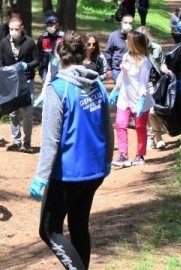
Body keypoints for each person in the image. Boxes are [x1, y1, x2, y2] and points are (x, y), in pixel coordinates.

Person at [29, 34, 113, 270]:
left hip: (68, 174)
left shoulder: (58, 89)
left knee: (49, 230)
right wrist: (108, 160)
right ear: (83, 55)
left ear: (58, 55)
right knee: (78, 225)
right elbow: (107, 125)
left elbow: (50, 139)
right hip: (95, 170)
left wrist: (40, 177)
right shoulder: (96, 83)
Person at [0, 17, 42, 152]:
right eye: (11, 29)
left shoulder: (30, 42)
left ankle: (27, 142)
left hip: (26, 80)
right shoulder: (4, 42)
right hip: (10, 81)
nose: (13, 31)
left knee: (27, 112)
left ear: (22, 28)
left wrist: (26, 65)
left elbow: (37, 60)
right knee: (12, 113)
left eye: (16, 29)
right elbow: (0, 60)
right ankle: (16, 140)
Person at [109, 31, 153, 168]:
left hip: (140, 99)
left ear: (134, 43)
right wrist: (115, 91)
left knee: (140, 127)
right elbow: (122, 76)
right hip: (124, 98)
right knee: (120, 124)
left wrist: (141, 102)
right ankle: (123, 155)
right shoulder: (126, 56)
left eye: (128, 41)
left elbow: (143, 83)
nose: (126, 42)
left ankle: (140, 155)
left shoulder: (145, 62)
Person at [103, 14, 134, 81]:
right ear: (121, 23)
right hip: (117, 70)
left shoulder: (135, 37)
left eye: (130, 23)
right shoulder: (114, 36)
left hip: (132, 70)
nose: (128, 25)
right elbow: (108, 52)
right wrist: (108, 69)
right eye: (125, 23)